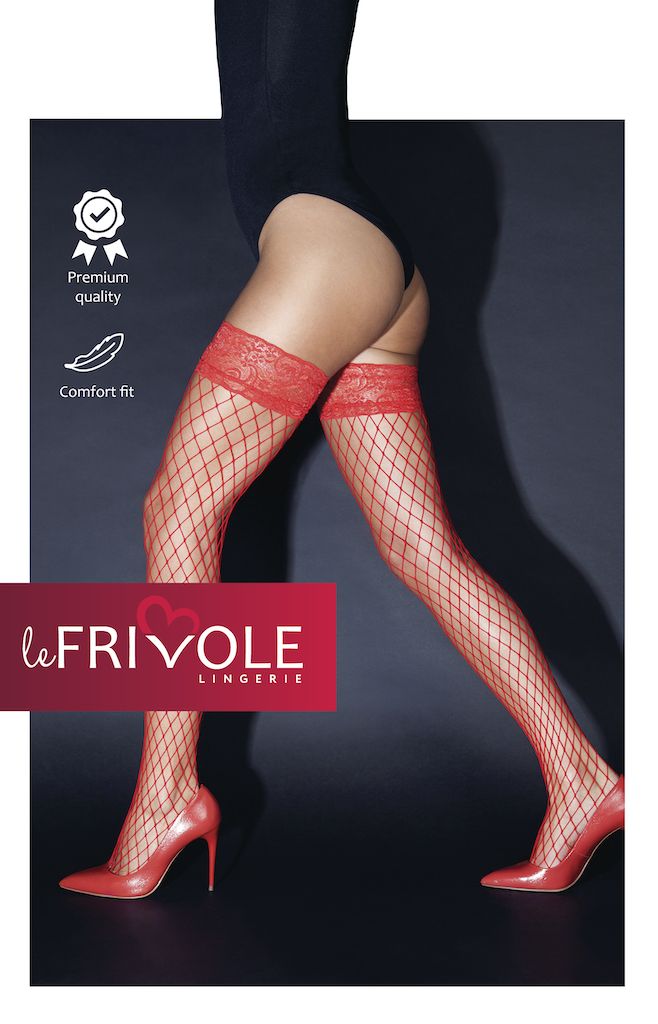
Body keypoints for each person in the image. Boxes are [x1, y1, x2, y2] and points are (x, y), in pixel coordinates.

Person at [59, 0, 623, 899]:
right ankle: (582, 778)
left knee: (179, 507)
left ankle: (165, 794)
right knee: (422, 549)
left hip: (325, 246)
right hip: (363, 259)